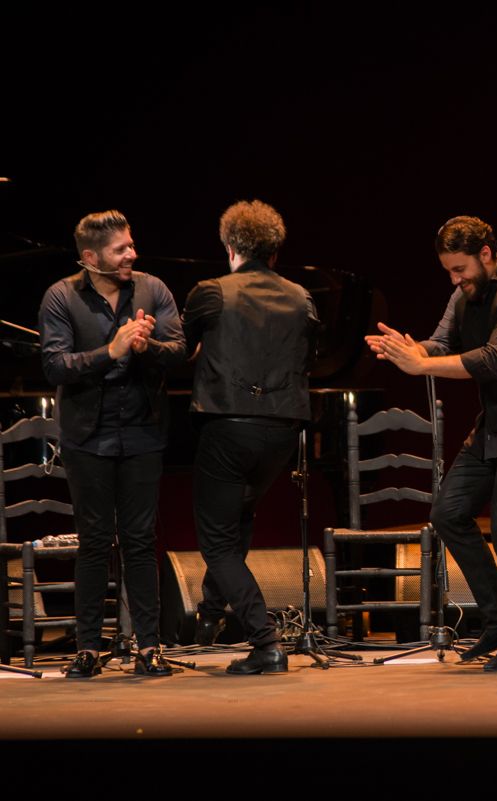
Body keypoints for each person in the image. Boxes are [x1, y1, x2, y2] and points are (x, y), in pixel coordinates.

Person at [366, 216, 497, 671]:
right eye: (449, 271)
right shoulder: (463, 294)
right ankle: (495, 622)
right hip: (493, 425)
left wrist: (421, 367)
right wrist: (413, 351)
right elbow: (441, 342)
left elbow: (490, 362)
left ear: (487, 253)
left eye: (460, 269)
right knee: (448, 512)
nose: (455, 279)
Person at [39, 209, 186, 678]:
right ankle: (86, 649)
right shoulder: (61, 296)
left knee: (141, 541)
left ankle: (148, 647)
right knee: (95, 543)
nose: (131, 254)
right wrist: (112, 351)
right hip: (87, 436)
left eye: (131, 245)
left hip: (143, 430)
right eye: (121, 249)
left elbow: (179, 350)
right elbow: (55, 366)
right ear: (90, 257)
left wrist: (148, 348)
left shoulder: (153, 288)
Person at [183, 199, 319, 675]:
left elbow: (180, 350)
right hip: (282, 430)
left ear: (230, 246)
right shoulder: (302, 297)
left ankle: (264, 643)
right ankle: (210, 613)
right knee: (237, 521)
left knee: (217, 541)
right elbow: (308, 357)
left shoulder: (210, 292)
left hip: (227, 425)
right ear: (275, 252)